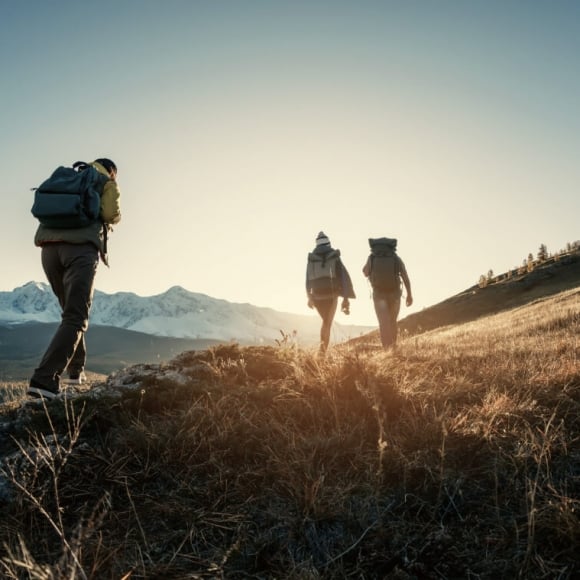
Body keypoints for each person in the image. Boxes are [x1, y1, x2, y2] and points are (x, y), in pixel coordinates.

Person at [27, 158, 122, 399]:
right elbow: (111, 214)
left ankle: (75, 371)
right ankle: (44, 380)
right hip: (79, 251)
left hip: (49, 251)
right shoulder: (106, 182)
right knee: (76, 317)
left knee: (70, 313)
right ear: (112, 172)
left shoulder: (69, 176)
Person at [306, 231, 356, 353]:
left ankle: (321, 351)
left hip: (316, 295)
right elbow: (343, 277)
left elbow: (307, 280)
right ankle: (322, 353)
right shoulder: (334, 257)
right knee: (327, 323)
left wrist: (309, 297)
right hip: (331, 295)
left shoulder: (312, 259)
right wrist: (346, 298)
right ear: (328, 244)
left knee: (325, 322)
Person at [362, 237, 412, 350]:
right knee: (392, 321)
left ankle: (386, 349)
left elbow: (365, 272)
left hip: (379, 295)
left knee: (383, 323)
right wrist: (409, 294)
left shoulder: (372, 258)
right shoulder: (395, 258)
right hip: (394, 294)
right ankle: (393, 347)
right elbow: (405, 276)